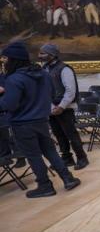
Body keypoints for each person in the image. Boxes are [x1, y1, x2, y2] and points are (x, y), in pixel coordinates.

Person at [0, 42, 81, 198]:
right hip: (42, 120)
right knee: (50, 151)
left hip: (22, 123)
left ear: (13, 59)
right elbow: (51, 94)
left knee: (33, 155)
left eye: (5, 58)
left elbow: (9, 104)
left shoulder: (14, 79)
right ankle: (68, 178)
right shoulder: (43, 73)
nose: (4, 62)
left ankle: (45, 186)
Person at [38, 43, 89, 170]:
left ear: (51, 55)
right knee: (59, 134)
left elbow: (70, 90)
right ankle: (67, 158)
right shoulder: (44, 69)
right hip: (51, 109)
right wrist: (51, 107)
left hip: (65, 108)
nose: (39, 56)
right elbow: (43, 90)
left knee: (71, 134)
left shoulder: (65, 69)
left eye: (42, 53)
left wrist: (61, 106)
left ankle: (82, 157)